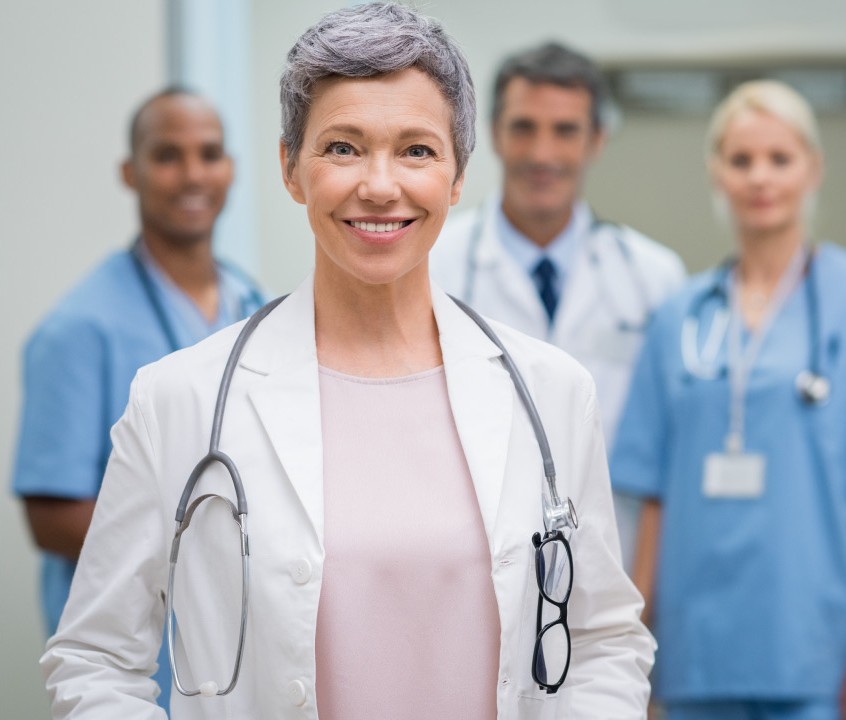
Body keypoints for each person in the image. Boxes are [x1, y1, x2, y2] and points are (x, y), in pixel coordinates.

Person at [41, 4, 653, 718]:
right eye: (342, 148)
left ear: (457, 176)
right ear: (290, 168)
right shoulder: (179, 397)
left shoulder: (550, 392)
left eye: (418, 150)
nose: (380, 185)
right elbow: (95, 659)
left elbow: (606, 641)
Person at [12, 87, 264, 710]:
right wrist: (211, 563)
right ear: (131, 172)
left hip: (246, 655)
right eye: (167, 155)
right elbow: (50, 517)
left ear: (230, 168)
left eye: (209, 154)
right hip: (136, 669)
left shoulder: (254, 307)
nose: (192, 174)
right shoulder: (78, 329)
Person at [611, 80, 846, 720]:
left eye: (779, 158)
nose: (759, 177)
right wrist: (634, 650)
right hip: (697, 644)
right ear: (716, 173)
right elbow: (654, 495)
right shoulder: (680, 316)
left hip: (812, 639)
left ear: (813, 168)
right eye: (741, 161)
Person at [429, 42, 685, 573]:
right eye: (524, 127)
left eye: (565, 130)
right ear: (492, 135)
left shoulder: (654, 278)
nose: (542, 153)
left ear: (597, 140)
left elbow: (668, 454)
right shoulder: (434, 266)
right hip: (473, 558)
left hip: (609, 558)